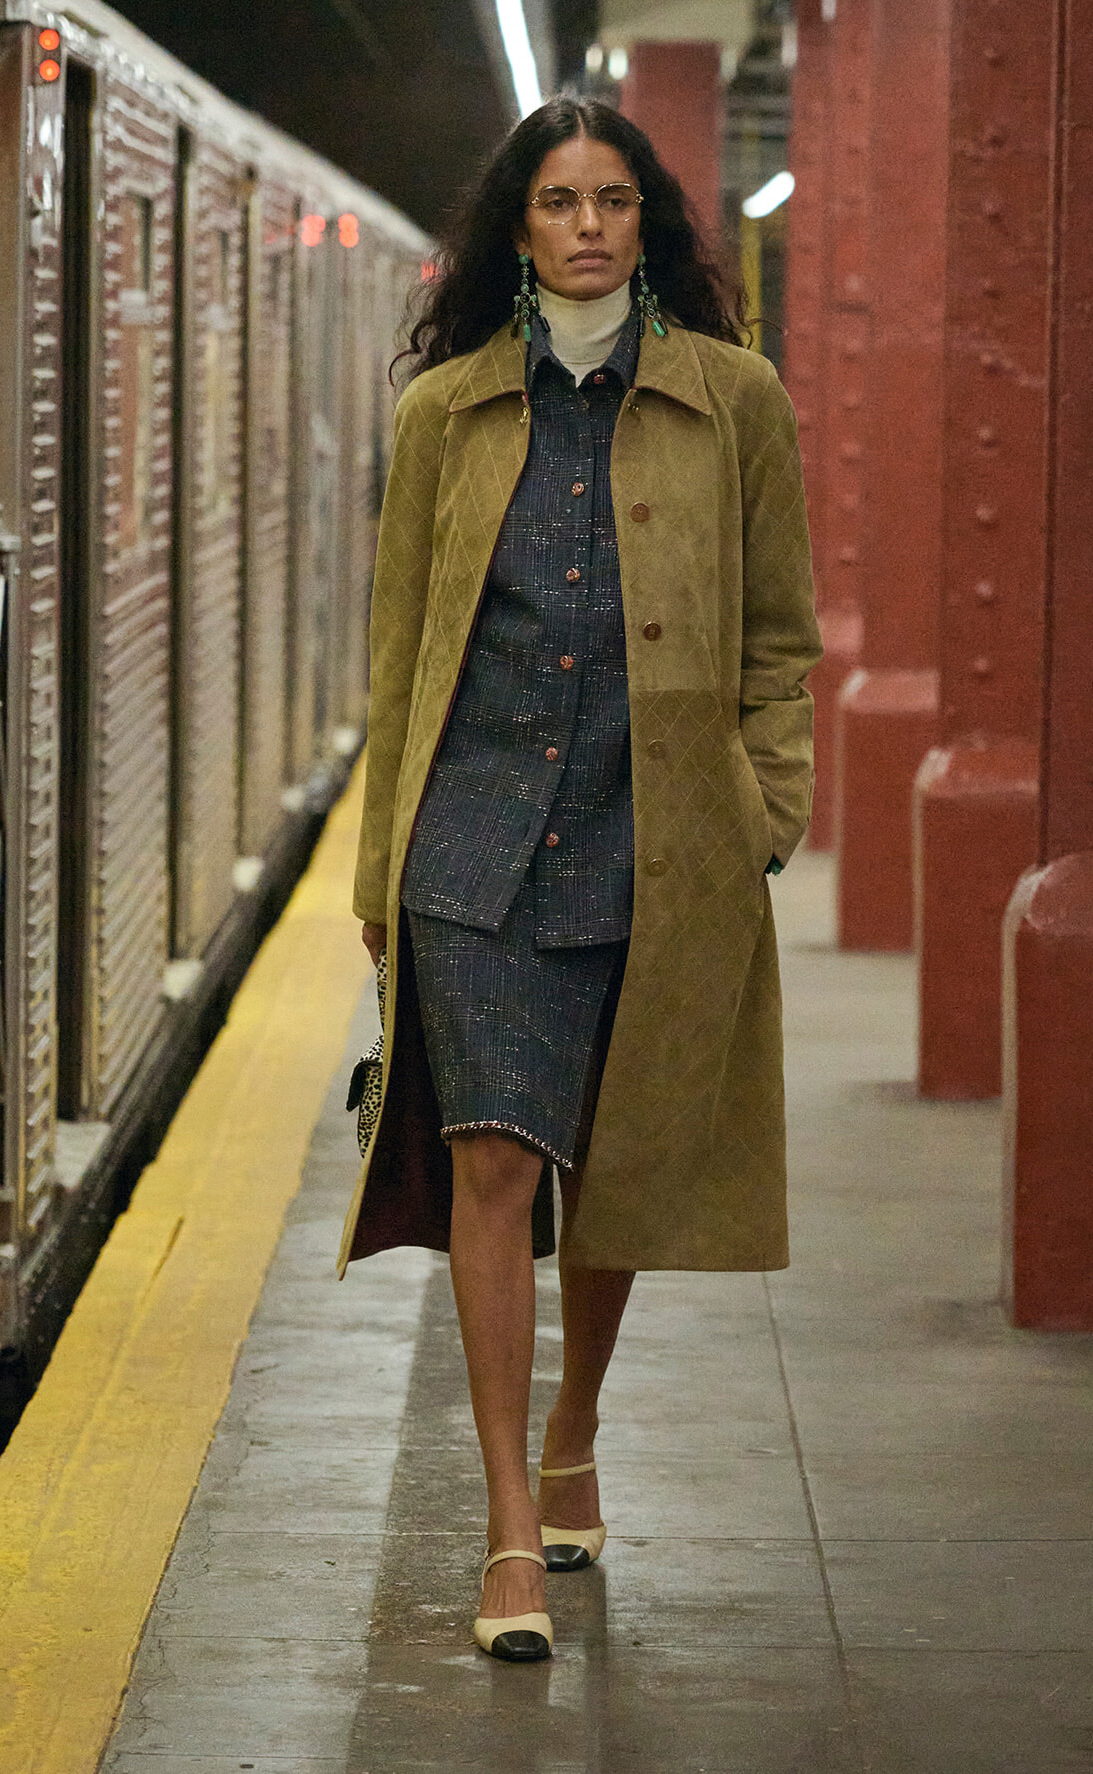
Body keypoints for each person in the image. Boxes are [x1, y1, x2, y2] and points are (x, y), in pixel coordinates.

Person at [337, 96, 822, 1662]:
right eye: (559, 201)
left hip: (657, 835)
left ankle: (574, 1425)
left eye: (615, 198)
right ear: (520, 229)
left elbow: (778, 639)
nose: (590, 225)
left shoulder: (734, 400)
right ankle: (502, 1534)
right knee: (493, 1162)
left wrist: (768, 807)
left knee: (610, 1172)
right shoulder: (448, 415)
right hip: (471, 848)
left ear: (650, 222)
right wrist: (375, 859)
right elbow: (401, 650)